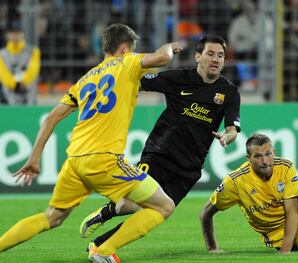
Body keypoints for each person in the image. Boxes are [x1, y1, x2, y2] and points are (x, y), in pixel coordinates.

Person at [0, 23, 182, 263]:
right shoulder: (128, 62)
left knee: (52, 217)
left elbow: (50, 118)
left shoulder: (85, 79)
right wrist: (171, 46)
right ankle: (104, 250)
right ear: (124, 48)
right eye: (131, 48)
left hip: (75, 161)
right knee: (163, 206)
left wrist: (34, 158)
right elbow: (163, 58)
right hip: (105, 159)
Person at [79, 35, 241, 250]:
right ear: (197, 56)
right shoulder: (178, 78)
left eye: (220, 55)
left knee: (156, 212)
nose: (216, 59)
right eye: (210, 54)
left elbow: (232, 129)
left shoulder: (229, 92)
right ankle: (104, 214)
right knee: (131, 204)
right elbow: (137, 81)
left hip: (190, 166)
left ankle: (98, 245)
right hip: (160, 152)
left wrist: (226, 136)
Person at [0, 20, 41, 105]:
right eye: (12, 32)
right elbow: (2, 74)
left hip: (28, 92)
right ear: (8, 34)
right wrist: (15, 85)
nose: (15, 35)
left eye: (18, 32)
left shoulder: (33, 51)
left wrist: (24, 83)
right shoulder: (0, 55)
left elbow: (33, 71)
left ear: (22, 34)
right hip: (8, 93)